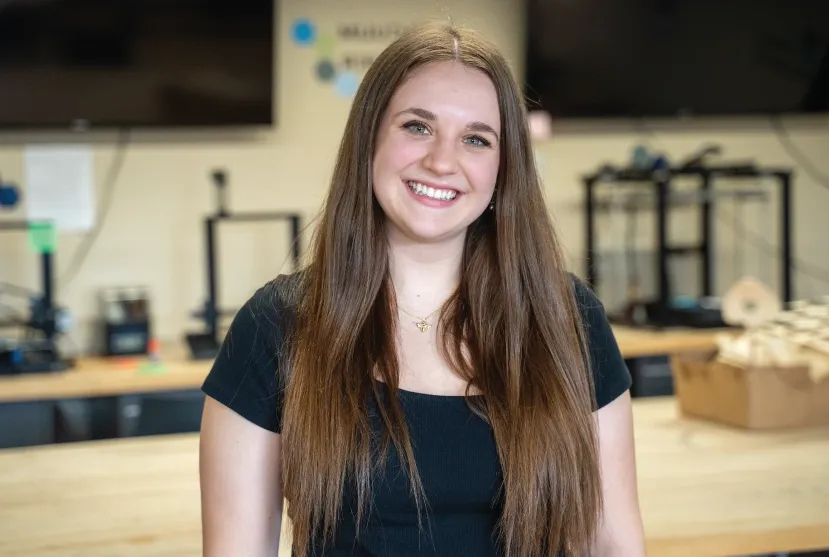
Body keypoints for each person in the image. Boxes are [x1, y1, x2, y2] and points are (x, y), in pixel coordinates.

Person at [199, 19, 645, 557]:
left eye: (476, 139)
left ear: (504, 169)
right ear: (369, 139)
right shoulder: (276, 325)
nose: (442, 161)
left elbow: (613, 542)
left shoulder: (567, 318)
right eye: (417, 126)